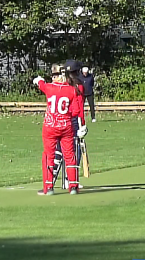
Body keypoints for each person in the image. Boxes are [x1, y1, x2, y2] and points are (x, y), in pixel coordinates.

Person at [33, 60, 88, 195]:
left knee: (48, 156)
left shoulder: (49, 87)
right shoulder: (71, 90)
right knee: (70, 156)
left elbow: (41, 85)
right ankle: (73, 186)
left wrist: (38, 80)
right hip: (66, 126)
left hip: (50, 127)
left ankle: (49, 187)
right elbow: (76, 110)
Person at [53, 61, 86, 189]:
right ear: (77, 72)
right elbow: (79, 107)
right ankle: (69, 179)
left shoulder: (61, 85)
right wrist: (82, 124)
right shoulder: (78, 86)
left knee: (59, 150)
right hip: (73, 120)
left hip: (60, 119)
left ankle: (52, 180)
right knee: (74, 151)